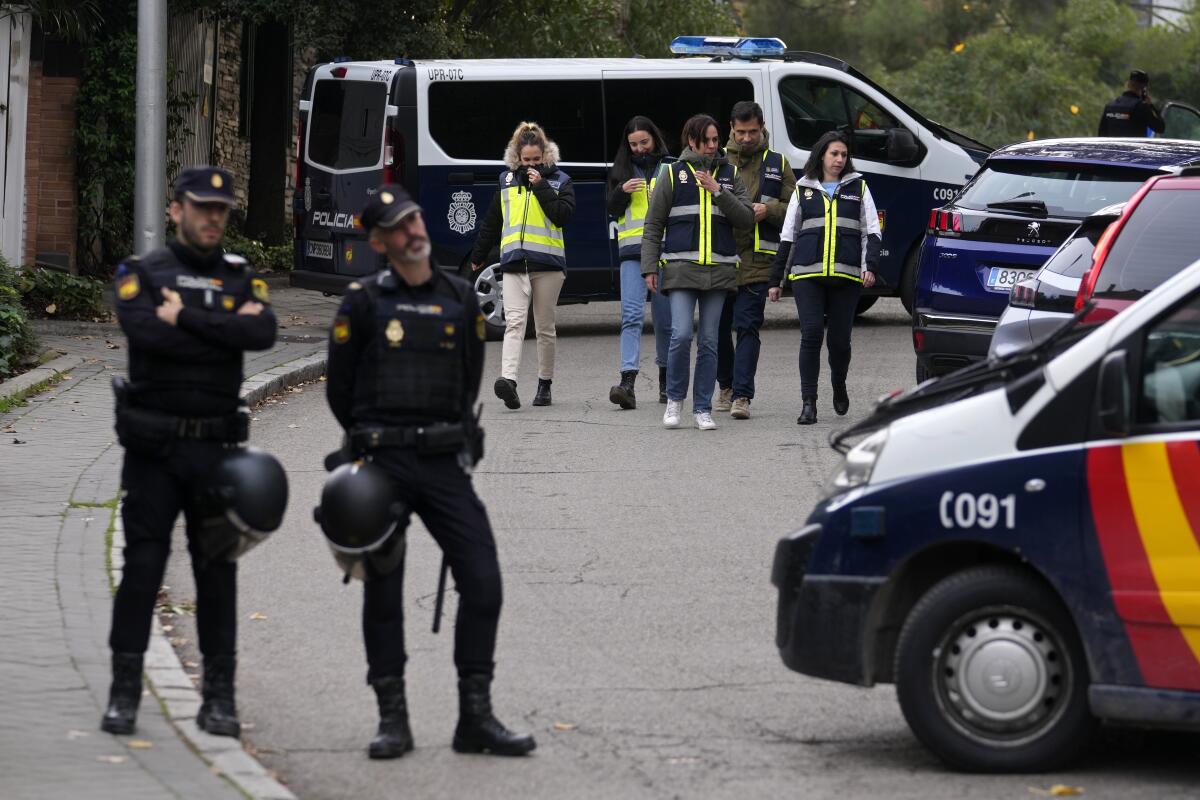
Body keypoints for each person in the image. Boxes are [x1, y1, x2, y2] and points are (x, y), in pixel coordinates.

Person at [327, 185, 535, 759]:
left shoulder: (461, 298)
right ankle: (392, 717)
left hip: (444, 463)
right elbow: (340, 390)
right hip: (381, 464)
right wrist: (373, 435)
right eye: (398, 226)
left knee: (484, 581)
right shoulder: (362, 303)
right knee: (384, 590)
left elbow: (469, 380)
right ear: (379, 242)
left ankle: (475, 717)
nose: (413, 230)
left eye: (415, 218)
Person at [102, 166, 277, 737]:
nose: (212, 218)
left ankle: (219, 698)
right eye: (202, 207)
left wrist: (188, 318)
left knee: (216, 573)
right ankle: (124, 690)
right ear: (175, 210)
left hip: (216, 451)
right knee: (143, 568)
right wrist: (222, 326)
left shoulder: (240, 274)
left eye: (221, 210)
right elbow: (147, 334)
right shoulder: (143, 273)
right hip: (154, 449)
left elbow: (264, 334)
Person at [641, 114, 754, 431]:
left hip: (719, 271)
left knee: (709, 341)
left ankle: (702, 407)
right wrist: (649, 267)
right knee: (680, 335)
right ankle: (675, 400)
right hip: (680, 269)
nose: (713, 145)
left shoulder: (728, 174)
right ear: (692, 141)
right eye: (707, 140)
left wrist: (719, 190)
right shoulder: (673, 174)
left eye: (717, 139)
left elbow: (746, 218)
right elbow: (653, 226)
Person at [769, 131, 880, 425]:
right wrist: (776, 281)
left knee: (840, 341)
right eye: (834, 154)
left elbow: (872, 231)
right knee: (812, 334)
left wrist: (869, 265)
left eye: (844, 154)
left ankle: (839, 384)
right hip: (808, 275)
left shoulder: (859, 187)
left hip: (846, 276)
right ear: (821, 155)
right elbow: (788, 237)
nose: (840, 159)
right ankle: (809, 403)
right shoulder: (802, 189)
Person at [470, 122, 575, 410]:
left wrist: (540, 186)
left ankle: (545, 384)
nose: (531, 165)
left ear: (545, 156)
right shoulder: (505, 181)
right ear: (517, 157)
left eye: (536, 160)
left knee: (544, 327)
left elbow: (562, 216)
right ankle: (509, 381)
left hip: (548, 265)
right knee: (514, 322)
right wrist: (478, 255)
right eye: (526, 160)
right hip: (514, 263)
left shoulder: (560, 180)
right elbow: (492, 221)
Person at [714, 101, 796, 420]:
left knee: (747, 326)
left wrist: (770, 210)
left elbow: (797, 206)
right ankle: (725, 384)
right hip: (719, 258)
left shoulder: (777, 162)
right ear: (731, 129)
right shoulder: (716, 161)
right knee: (717, 329)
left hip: (758, 259)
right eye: (740, 132)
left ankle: (742, 396)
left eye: (753, 131)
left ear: (762, 127)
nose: (747, 138)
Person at [607, 115, 673, 409]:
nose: (639, 149)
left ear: (655, 139)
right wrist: (621, 192)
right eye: (633, 144)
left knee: (665, 321)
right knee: (631, 316)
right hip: (632, 253)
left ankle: (666, 380)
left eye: (644, 142)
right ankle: (627, 382)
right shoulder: (621, 170)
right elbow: (609, 208)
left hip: (666, 252)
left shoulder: (671, 167)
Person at [1098, 69, 1165, 137]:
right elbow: (1160, 128)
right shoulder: (1141, 107)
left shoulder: (1110, 106)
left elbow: (1101, 135)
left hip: (1111, 147)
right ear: (1144, 89)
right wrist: (1151, 106)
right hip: (1134, 147)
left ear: (1128, 84)